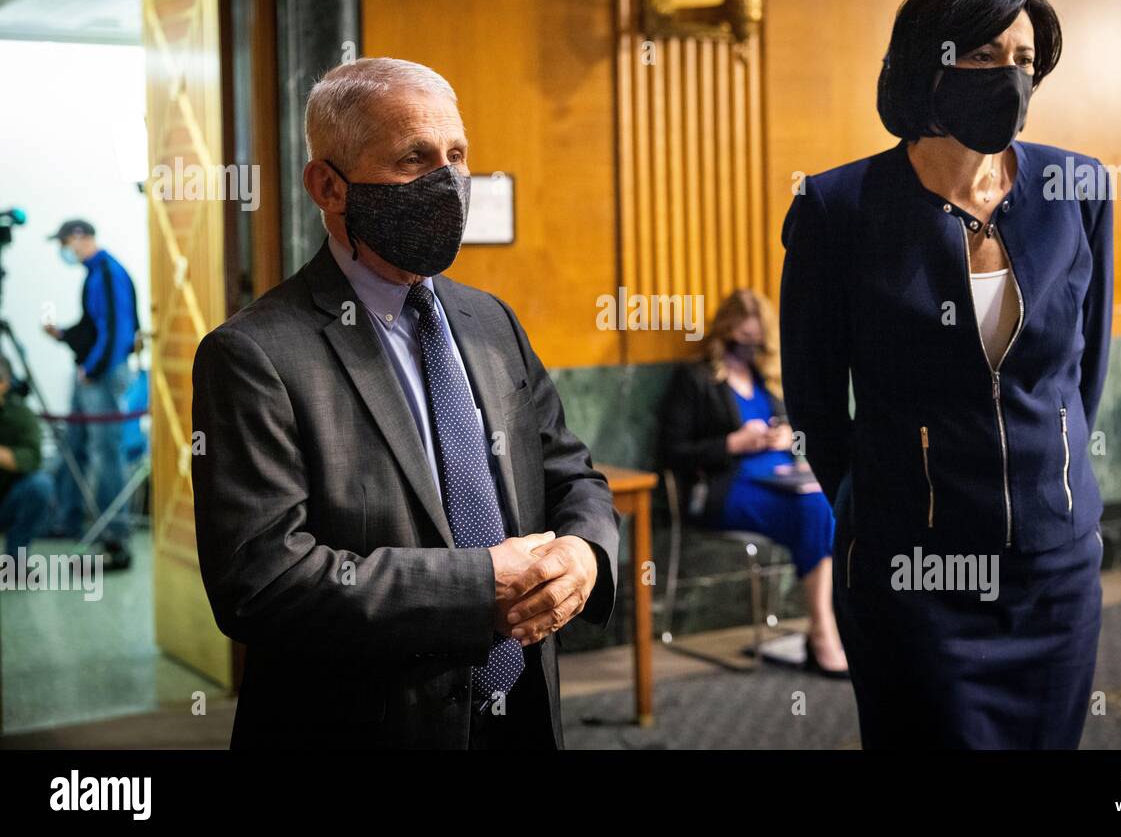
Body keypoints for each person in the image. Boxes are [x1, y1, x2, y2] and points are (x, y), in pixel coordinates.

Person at [191, 57, 620, 750]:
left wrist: (585, 552)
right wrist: (481, 583)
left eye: (457, 154)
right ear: (329, 186)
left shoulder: (491, 321)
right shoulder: (254, 353)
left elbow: (572, 472)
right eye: (414, 158)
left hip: (525, 712)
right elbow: (262, 579)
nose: (446, 180)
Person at [780, 0, 1113, 748]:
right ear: (931, 60)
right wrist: (893, 510)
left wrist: (1052, 482)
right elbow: (818, 407)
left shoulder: (1079, 189)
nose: (1011, 76)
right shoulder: (840, 208)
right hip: (916, 572)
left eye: (1026, 59)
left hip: (1055, 570)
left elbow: (1083, 376)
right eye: (988, 53)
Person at [659, 289, 847, 677]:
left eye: (755, 340)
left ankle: (833, 623)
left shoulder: (768, 377)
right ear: (724, 332)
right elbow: (671, 452)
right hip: (723, 488)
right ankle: (823, 630)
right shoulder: (695, 378)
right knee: (813, 508)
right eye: (741, 338)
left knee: (831, 500)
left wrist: (786, 436)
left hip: (783, 479)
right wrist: (733, 442)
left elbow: (798, 434)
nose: (748, 346)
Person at [42, 219, 140, 571]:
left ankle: (114, 536)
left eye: (65, 242)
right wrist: (63, 334)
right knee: (75, 444)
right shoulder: (94, 273)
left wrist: (92, 369)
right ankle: (67, 521)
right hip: (89, 373)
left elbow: (118, 332)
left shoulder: (109, 273)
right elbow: (92, 325)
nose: (63, 250)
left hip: (100, 376)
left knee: (106, 453)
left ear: (80, 238)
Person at [0, 355, 56, 558]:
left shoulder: (20, 414)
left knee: (40, 485)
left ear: (4, 385)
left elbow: (33, 458)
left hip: (6, 499)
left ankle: (14, 561)